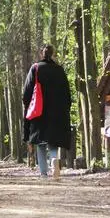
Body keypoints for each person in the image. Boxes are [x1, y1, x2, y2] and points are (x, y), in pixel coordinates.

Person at [23, 44, 72, 179]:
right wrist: (65, 109)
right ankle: (54, 160)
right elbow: (67, 94)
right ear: (52, 54)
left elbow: (27, 91)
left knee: (40, 143)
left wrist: (28, 106)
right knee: (53, 141)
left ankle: (44, 173)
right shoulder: (59, 70)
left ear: (41, 53)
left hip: (38, 111)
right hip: (57, 112)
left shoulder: (36, 68)